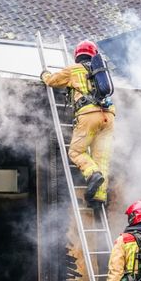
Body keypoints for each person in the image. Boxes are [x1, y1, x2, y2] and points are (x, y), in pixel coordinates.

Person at [40, 41, 114, 206]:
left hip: (88, 115)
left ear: (77, 55)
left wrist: (44, 74)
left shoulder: (73, 69)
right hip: (108, 117)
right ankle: (99, 197)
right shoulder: (101, 72)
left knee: (76, 152)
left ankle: (92, 174)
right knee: (101, 157)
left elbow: (52, 81)